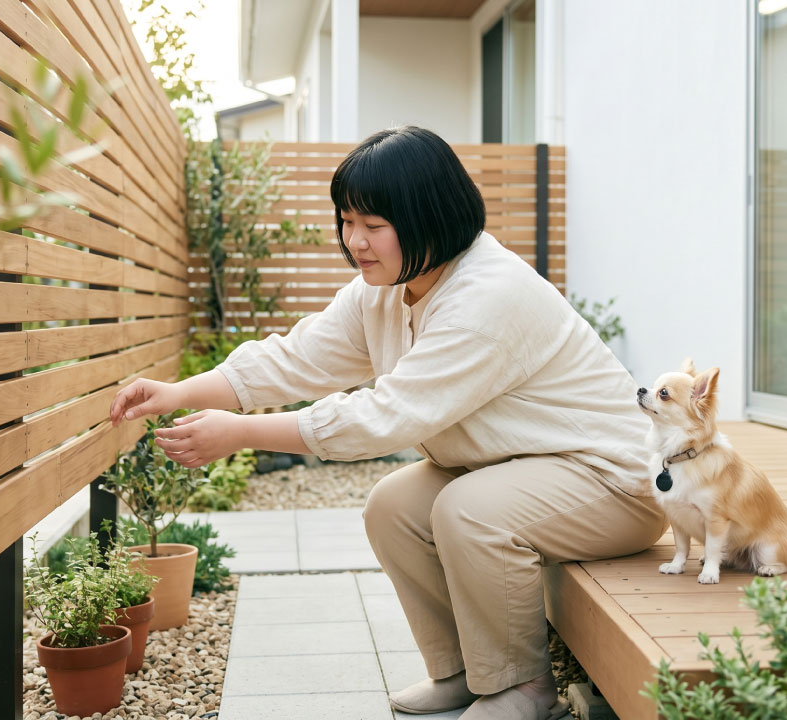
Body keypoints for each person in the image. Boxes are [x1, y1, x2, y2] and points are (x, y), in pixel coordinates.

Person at [109, 126, 666, 720]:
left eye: (374, 226)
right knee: (394, 505)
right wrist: (178, 392)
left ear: (429, 215)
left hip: (611, 482)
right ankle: (461, 672)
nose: (355, 242)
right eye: (348, 222)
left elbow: (383, 418)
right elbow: (297, 358)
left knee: (467, 509)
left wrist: (241, 432)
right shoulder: (388, 288)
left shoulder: (487, 297)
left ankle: (523, 688)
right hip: (528, 467)